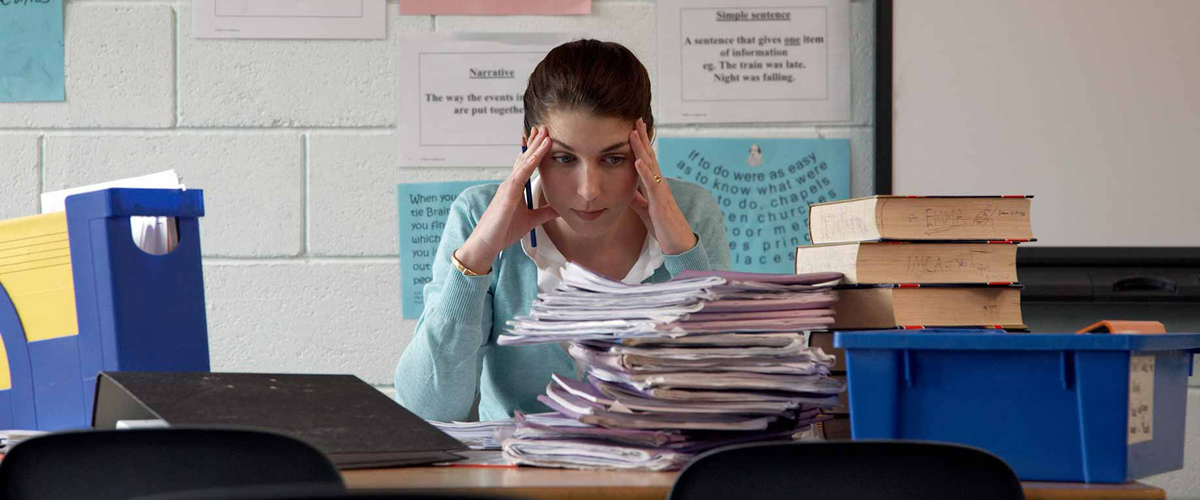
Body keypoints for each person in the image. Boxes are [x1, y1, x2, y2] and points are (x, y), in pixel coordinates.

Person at [394, 39, 730, 421]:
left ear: (645, 144)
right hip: (517, 476)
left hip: (659, 474)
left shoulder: (690, 211)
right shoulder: (477, 214)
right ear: (528, 149)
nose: (589, 191)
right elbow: (425, 410)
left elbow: (729, 397)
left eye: (614, 158)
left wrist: (685, 257)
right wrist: (478, 256)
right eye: (564, 158)